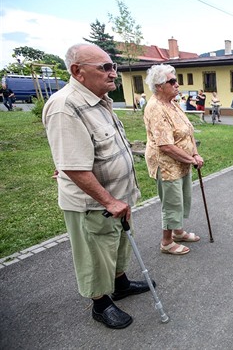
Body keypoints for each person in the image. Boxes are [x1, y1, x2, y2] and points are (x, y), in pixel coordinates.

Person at [43, 43, 150, 329]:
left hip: (116, 197)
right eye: (104, 67)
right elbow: (74, 165)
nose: (113, 73)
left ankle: (121, 284)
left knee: (117, 245)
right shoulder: (65, 106)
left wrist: (119, 198)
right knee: (95, 254)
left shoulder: (99, 100)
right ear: (78, 71)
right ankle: (100, 304)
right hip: (94, 203)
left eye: (113, 66)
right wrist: (108, 201)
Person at [143, 64, 204, 258]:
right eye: (172, 81)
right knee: (172, 201)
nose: (177, 84)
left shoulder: (173, 103)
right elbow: (165, 146)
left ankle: (178, 232)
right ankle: (167, 242)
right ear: (159, 86)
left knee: (182, 197)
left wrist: (194, 154)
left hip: (182, 161)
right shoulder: (156, 108)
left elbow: (188, 131)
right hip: (167, 164)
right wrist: (190, 159)